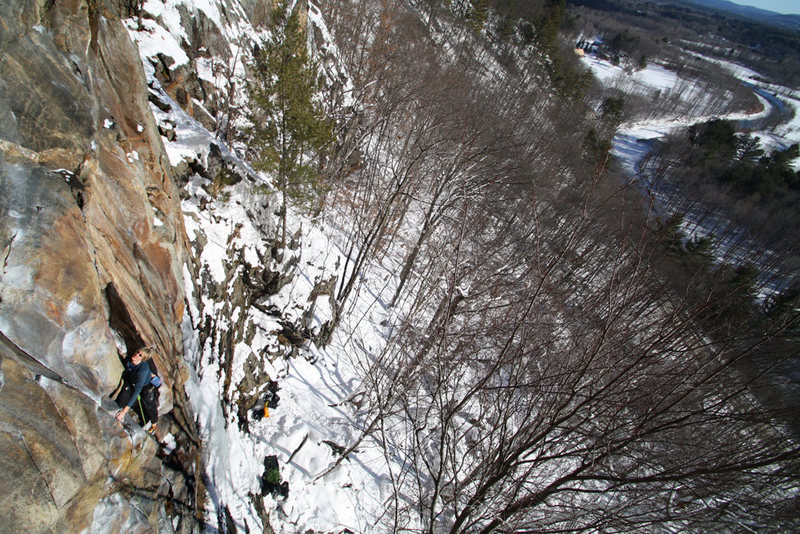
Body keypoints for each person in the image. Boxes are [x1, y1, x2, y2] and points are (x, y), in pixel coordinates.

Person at [114, 346, 160, 433]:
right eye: (137, 352)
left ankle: (154, 423)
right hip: (132, 380)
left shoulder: (142, 371)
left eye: (140, 355)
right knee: (123, 396)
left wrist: (124, 412)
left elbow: (137, 391)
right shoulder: (130, 358)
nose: (136, 355)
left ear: (143, 359)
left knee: (149, 404)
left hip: (145, 386)